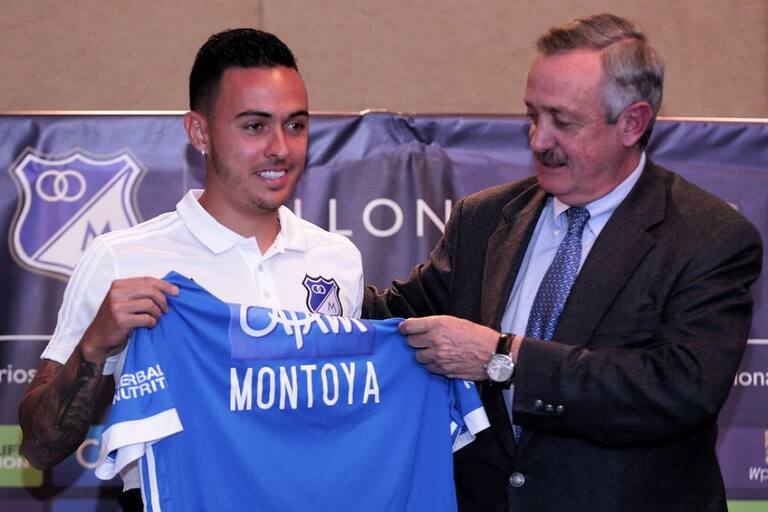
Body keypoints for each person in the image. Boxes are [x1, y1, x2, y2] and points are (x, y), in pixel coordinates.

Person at [364, 13, 763, 512]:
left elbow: (679, 389)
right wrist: (291, 264)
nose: (538, 139)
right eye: (532, 115)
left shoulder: (709, 237)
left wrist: (503, 357)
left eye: (563, 121)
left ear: (633, 122)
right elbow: (392, 317)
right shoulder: (484, 219)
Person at [18, 28, 363, 511]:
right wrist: (94, 344)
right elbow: (39, 448)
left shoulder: (337, 259)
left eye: (296, 125)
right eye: (254, 126)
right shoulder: (122, 257)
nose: (280, 148)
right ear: (199, 132)